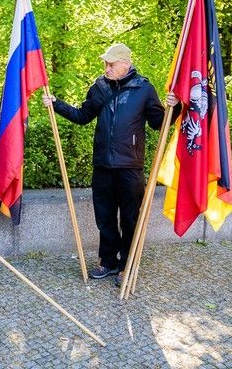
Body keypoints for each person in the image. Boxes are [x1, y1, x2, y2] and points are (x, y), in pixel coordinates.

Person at [42, 43, 180, 287]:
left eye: (111, 64)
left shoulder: (143, 89)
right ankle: (108, 261)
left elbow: (158, 123)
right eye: (105, 63)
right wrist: (57, 103)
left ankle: (127, 265)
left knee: (129, 218)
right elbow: (82, 116)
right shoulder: (100, 87)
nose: (106, 67)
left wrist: (175, 106)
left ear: (126, 64)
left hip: (129, 167)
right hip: (103, 165)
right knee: (104, 217)